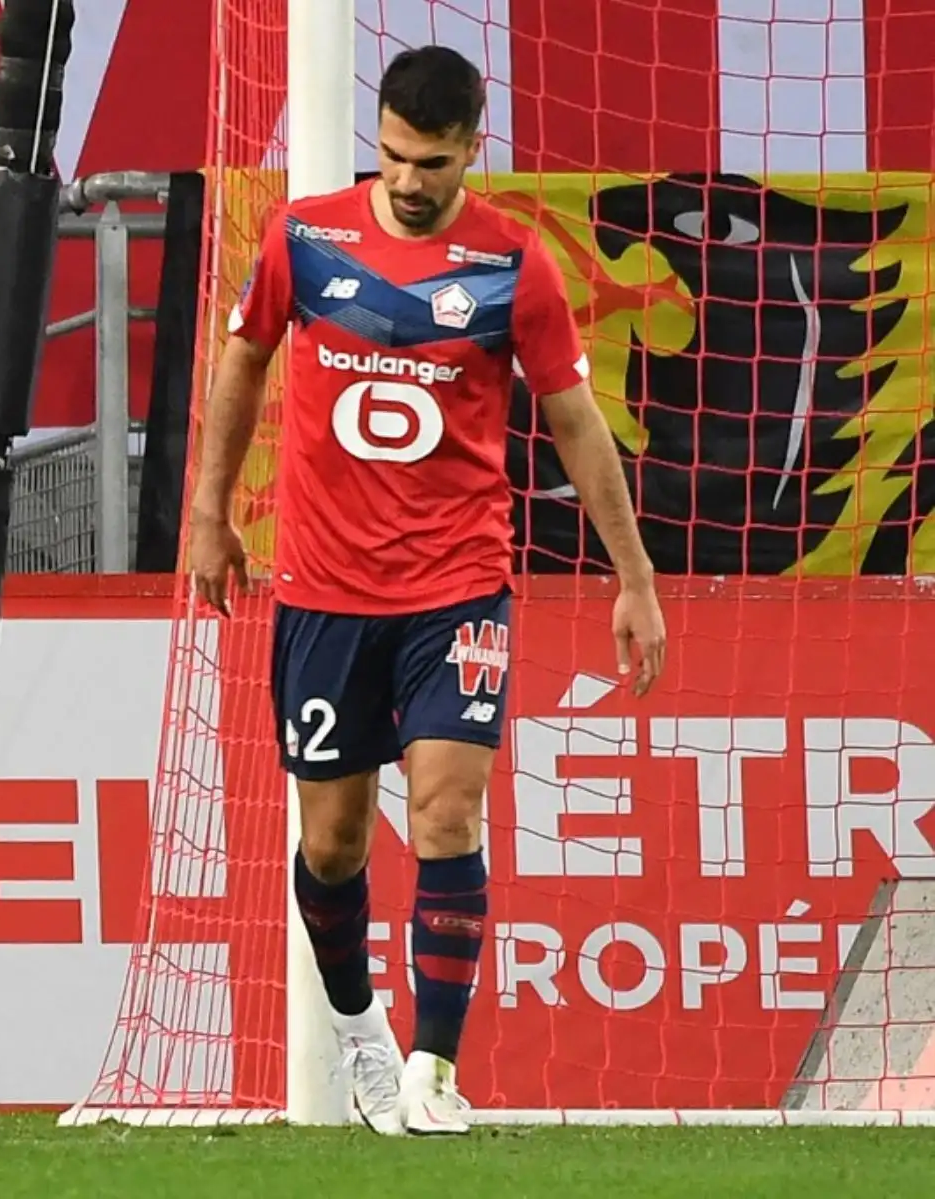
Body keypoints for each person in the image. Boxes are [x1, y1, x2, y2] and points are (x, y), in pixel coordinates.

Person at [189, 45, 666, 1137]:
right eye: (396, 156)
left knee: (448, 812)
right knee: (335, 844)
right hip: (322, 587)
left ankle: (433, 1067)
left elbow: (576, 423)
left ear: (473, 146)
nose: (409, 180)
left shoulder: (515, 264)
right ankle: (361, 1032)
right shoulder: (304, 237)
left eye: (434, 162)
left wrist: (632, 577)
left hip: (458, 584)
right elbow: (244, 360)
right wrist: (211, 513)